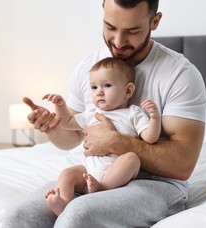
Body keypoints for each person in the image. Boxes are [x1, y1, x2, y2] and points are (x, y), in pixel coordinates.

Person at [3, 0, 206, 228]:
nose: (119, 42)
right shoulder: (88, 69)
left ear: (155, 21)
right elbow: (73, 138)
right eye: (110, 27)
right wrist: (54, 128)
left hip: (155, 184)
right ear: (102, 10)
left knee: (78, 215)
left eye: (132, 31)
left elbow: (183, 165)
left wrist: (118, 142)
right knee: (16, 219)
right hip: (93, 176)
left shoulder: (180, 74)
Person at [43, 57, 161, 216]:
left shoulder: (133, 113)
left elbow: (150, 137)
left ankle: (103, 187)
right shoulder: (92, 114)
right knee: (67, 173)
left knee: (132, 159)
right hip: (87, 172)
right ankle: (63, 202)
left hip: (115, 173)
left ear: (128, 91)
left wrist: (155, 118)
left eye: (107, 85)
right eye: (93, 87)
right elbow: (67, 122)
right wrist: (60, 105)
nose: (99, 92)